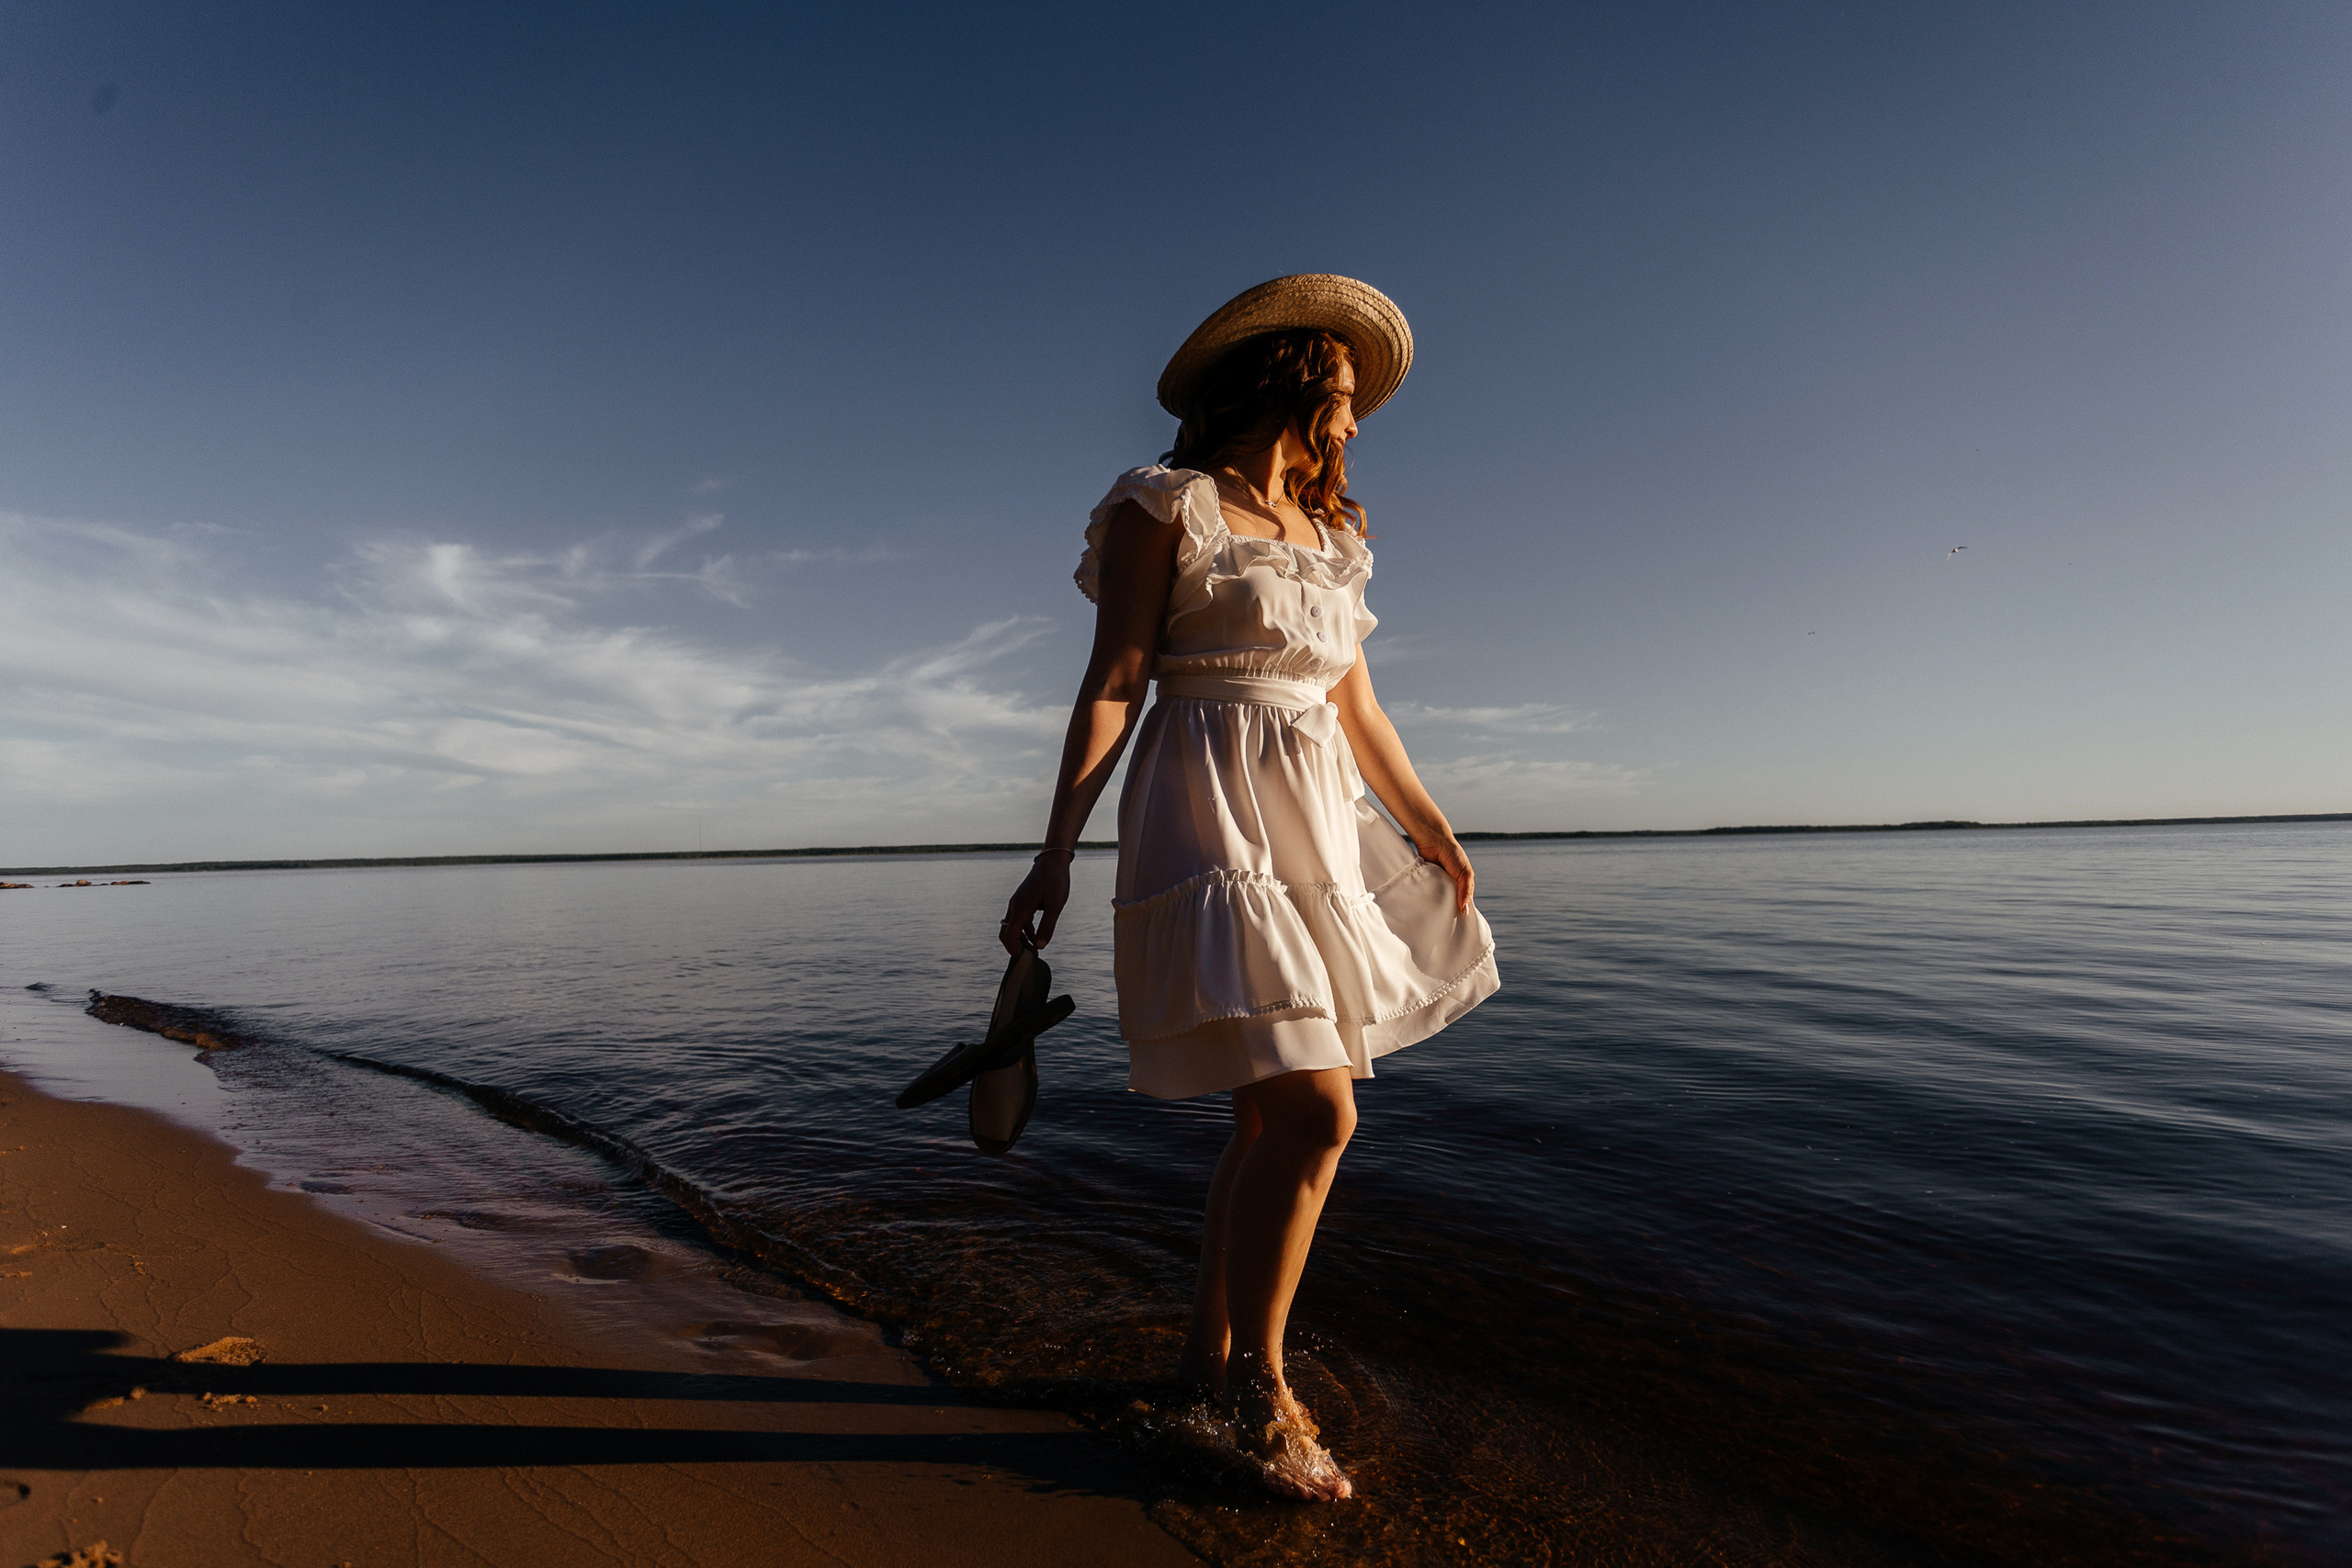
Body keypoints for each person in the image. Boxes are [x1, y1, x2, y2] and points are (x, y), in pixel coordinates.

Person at [999, 275, 1498, 1502]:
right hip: (1205, 807)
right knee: (1321, 1115)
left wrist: (1431, 825)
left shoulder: (1333, 540)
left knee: (1271, 1120)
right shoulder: (1163, 504)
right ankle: (1262, 1385)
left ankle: (1201, 1364)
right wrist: (1056, 849)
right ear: (1291, 382)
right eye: (1347, 391)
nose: (1358, 418)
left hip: (1315, 821)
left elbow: (1359, 706)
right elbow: (1116, 680)